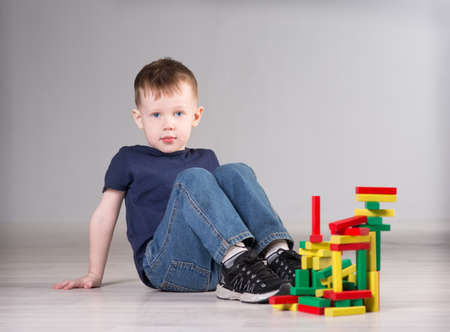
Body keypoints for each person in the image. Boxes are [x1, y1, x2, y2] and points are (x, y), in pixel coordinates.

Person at [52, 57, 302, 303]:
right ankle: (237, 262)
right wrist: (94, 273)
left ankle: (276, 254)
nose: (168, 124)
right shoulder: (129, 159)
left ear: (196, 116)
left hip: (216, 266)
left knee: (235, 171)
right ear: (139, 118)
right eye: (157, 115)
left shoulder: (207, 158)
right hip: (164, 266)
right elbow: (104, 216)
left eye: (179, 113)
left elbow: (221, 220)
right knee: (193, 178)